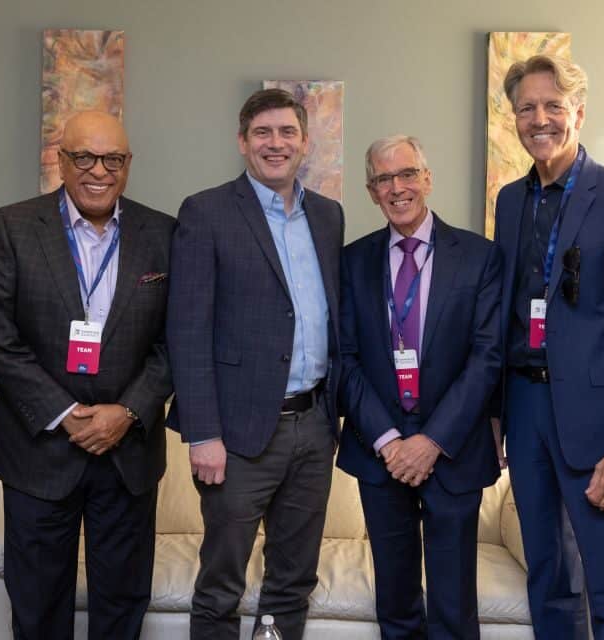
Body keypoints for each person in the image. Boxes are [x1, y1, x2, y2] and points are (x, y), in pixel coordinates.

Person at [0, 111, 174, 640]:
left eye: (113, 159)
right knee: (38, 608)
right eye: (83, 157)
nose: (98, 171)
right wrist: (67, 415)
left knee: (122, 605)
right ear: (60, 161)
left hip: (128, 454)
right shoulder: (13, 226)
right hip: (39, 453)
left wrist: (128, 411)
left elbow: (176, 342)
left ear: (128, 165)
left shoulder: (163, 233)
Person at [492, 54, 604, 640]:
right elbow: (508, 313)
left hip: (599, 426)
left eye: (553, 106)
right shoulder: (511, 202)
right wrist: (496, 415)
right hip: (526, 409)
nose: (539, 119)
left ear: (578, 113)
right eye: (526, 108)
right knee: (548, 578)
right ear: (513, 118)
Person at [167, 88, 345, 640]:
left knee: (292, 580)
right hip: (238, 436)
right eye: (263, 133)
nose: (276, 143)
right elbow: (187, 329)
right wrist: (202, 433)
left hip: (314, 427)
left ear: (304, 143)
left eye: (287, 132)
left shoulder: (327, 215)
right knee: (222, 582)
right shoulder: (207, 212)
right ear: (242, 142)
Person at [337, 135, 502, 639]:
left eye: (407, 173)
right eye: (384, 179)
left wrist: (430, 442)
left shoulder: (479, 256)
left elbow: (486, 358)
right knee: (396, 603)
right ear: (371, 191)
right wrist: (390, 442)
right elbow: (343, 360)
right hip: (379, 453)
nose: (397, 187)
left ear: (427, 179)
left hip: (452, 451)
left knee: (454, 607)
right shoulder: (351, 261)